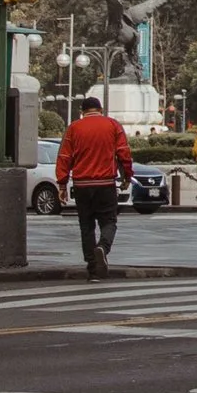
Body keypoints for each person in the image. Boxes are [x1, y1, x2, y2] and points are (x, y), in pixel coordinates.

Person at [54, 94, 134, 278]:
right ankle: (102, 248)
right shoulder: (113, 125)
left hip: (82, 184)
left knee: (86, 226)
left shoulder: (73, 128)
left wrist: (62, 185)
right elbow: (124, 153)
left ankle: (92, 268)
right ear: (100, 110)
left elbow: (64, 157)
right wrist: (127, 176)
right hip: (105, 183)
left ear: (82, 112)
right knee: (109, 221)